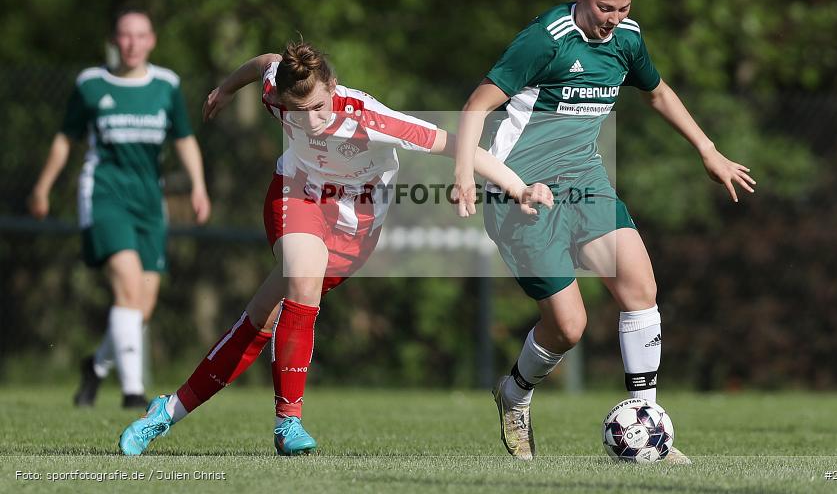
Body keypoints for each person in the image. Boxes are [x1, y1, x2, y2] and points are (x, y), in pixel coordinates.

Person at [118, 41, 552, 456]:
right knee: (302, 281)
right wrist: (226, 89)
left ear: (334, 88)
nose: (308, 121)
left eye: (318, 107)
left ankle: (167, 411)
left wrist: (517, 187)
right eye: (297, 111)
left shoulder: (369, 118)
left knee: (260, 320)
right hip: (297, 194)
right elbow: (265, 62)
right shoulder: (279, 91)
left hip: (355, 227)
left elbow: (454, 144)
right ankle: (288, 422)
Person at [453, 0, 755, 463]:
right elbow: (476, 106)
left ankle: (649, 427)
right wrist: (464, 175)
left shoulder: (628, 40)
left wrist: (708, 149)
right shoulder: (545, 40)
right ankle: (515, 394)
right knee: (569, 327)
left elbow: (657, 92)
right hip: (523, 191)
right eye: (605, 9)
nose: (613, 20)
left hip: (586, 182)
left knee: (640, 287)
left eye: (623, 9)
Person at [28, 9, 211, 408]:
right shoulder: (91, 85)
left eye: (140, 36)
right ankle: (133, 394)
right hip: (105, 195)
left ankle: (95, 367)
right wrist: (43, 187)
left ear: (152, 41)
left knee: (142, 305)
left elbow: (184, 138)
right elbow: (65, 140)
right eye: (125, 36)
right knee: (127, 288)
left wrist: (198, 186)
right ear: (115, 40)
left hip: (149, 201)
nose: (132, 44)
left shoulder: (166, 85)